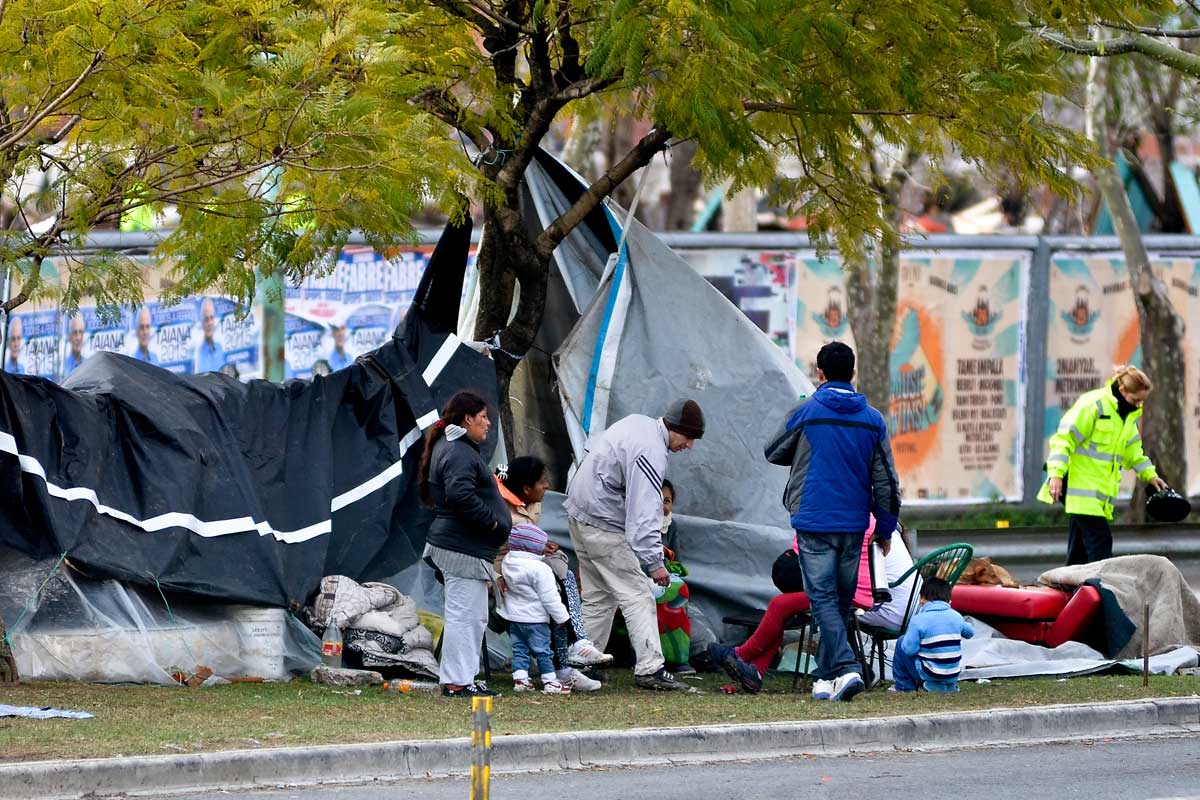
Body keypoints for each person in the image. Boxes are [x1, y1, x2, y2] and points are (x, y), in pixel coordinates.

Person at [764, 341, 900, 702]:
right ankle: (825, 680)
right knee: (840, 600)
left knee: (822, 597)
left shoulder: (807, 411)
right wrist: (885, 528)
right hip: (854, 523)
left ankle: (847, 666)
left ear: (819, 373)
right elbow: (887, 480)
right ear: (852, 373)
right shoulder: (872, 420)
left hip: (813, 518)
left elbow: (773, 450)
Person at [565, 398, 706, 691]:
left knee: (600, 596)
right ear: (675, 428)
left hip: (580, 515)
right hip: (603, 523)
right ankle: (650, 669)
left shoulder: (636, 423)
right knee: (639, 595)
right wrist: (655, 563)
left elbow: (591, 451)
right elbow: (644, 510)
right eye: (689, 437)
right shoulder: (651, 450)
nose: (689, 445)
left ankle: (581, 665)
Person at [707, 518, 917, 694]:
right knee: (787, 604)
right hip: (899, 605)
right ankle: (753, 671)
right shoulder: (877, 520)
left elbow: (807, 557)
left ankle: (743, 656)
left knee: (781, 604)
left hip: (878, 604)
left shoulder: (849, 518)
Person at [418, 390, 512, 698]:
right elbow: (460, 495)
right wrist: (493, 522)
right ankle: (457, 682)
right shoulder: (458, 450)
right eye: (483, 417)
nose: (488, 423)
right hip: (461, 548)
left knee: (473, 616)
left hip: (465, 548)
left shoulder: (456, 446)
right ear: (467, 419)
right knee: (464, 616)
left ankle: (465, 678)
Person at [493, 456, 612, 693]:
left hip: (530, 566)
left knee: (564, 575)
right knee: (554, 597)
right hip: (506, 573)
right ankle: (567, 661)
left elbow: (528, 537)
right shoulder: (499, 511)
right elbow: (485, 550)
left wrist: (541, 545)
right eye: (541, 482)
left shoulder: (533, 503)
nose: (547, 486)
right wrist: (496, 577)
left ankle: (572, 655)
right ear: (526, 489)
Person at [1038, 365, 1168, 565]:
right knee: (1100, 540)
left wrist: (1150, 475)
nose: (1138, 405)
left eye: (1141, 401)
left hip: (1099, 493)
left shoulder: (1127, 416)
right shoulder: (1093, 405)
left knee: (1079, 549)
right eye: (1135, 400)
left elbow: (1133, 451)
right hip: (1081, 489)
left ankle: (1069, 583)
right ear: (1122, 390)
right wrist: (1056, 474)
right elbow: (1063, 440)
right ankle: (1101, 584)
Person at [497, 522, 572, 695]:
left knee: (519, 650)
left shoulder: (508, 561)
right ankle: (550, 681)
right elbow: (550, 598)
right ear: (533, 547)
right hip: (535, 619)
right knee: (543, 651)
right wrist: (562, 618)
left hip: (514, 618)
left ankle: (521, 680)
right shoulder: (541, 569)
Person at [892, 578, 974, 693]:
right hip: (952, 674)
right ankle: (944, 685)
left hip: (930, 673)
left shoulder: (918, 620)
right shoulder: (956, 617)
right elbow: (970, 633)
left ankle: (904, 687)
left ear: (922, 598)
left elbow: (910, 650)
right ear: (949, 600)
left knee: (902, 641)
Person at [658, 479, 695, 675]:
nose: (663, 507)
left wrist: (669, 568)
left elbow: (676, 561)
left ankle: (678, 656)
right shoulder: (634, 524)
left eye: (667, 501)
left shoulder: (671, 526)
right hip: (639, 579)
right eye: (658, 501)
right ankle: (670, 659)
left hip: (663, 580)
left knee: (678, 591)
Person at [194, 298, 226, 373]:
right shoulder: (198, 352)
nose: (210, 323)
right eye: (206, 319)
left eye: (211, 318)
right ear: (201, 322)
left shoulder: (220, 348)